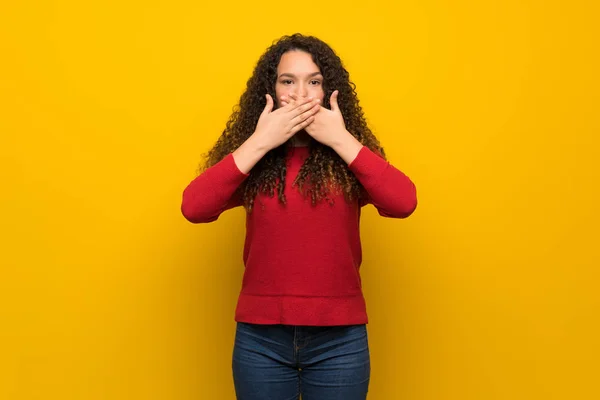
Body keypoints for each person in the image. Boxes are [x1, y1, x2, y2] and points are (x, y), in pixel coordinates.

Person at [181, 33, 417, 400]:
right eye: (288, 81)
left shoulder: (348, 157)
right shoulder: (256, 159)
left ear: (329, 92)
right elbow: (194, 207)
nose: (301, 94)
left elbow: (404, 201)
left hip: (340, 341)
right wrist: (261, 141)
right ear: (271, 91)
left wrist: (341, 139)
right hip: (261, 340)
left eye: (314, 82)